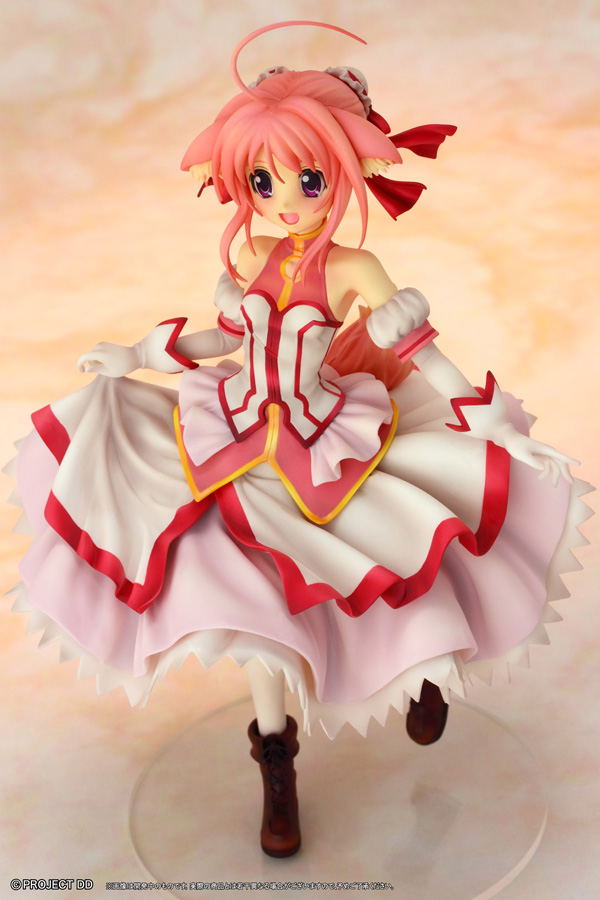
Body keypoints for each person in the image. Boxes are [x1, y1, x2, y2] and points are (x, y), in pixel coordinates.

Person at [8, 21, 590, 859]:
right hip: (230, 432)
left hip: (322, 442)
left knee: (391, 555)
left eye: (308, 179)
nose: (285, 199)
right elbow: (227, 337)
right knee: (246, 606)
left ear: (342, 174)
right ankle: (275, 759)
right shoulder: (253, 254)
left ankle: (426, 670)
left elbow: (422, 350)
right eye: (262, 179)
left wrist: (484, 412)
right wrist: (138, 355)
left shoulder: (353, 270)